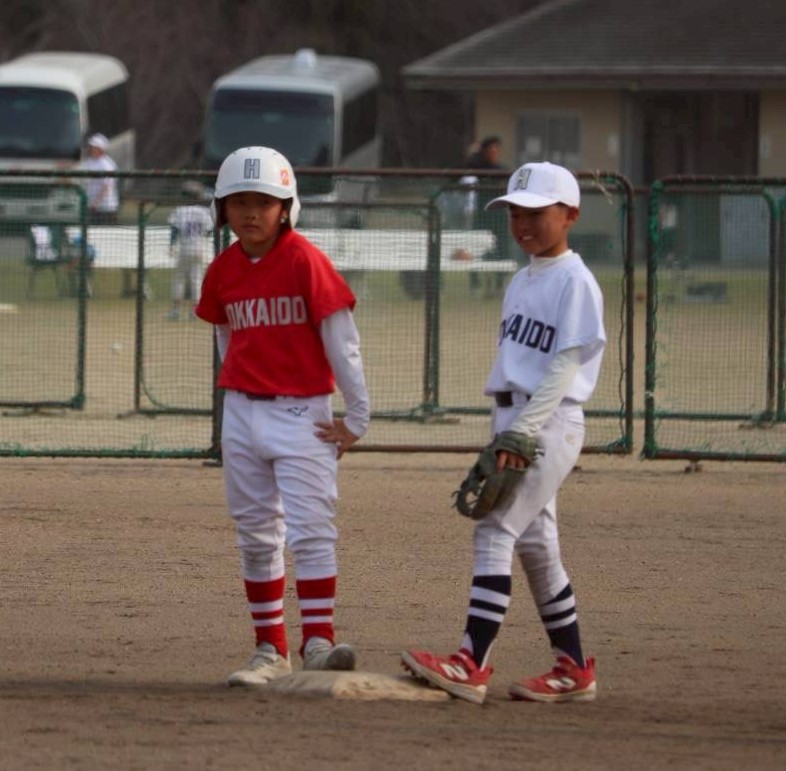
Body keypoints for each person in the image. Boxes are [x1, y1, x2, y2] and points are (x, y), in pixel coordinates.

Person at [401, 161, 606, 705]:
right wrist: (507, 429)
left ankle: (471, 662)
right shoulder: (521, 279)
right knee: (537, 545)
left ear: (571, 215)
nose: (523, 224)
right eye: (516, 213)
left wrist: (524, 434)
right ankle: (573, 668)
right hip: (515, 418)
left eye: (537, 213)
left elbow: (564, 366)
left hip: (547, 420)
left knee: (494, 531)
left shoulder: (576, 281)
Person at [194, 146, 371, 687]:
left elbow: (342, 341)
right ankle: (270, 650)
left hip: (303, 415)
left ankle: (318, 642)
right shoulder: (222, 269)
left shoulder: (305, 261)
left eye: (264, 202)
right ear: (222, 209)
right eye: (239, 202)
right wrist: (241, 393)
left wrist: (357, 416)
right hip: (243, 414)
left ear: (287, 207)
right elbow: (225, 333)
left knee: (312, 530)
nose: (251, 213)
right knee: (255, 534)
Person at [464, 135, 510, 297]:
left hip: (499, 216)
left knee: (503, 249)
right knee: (475, 249)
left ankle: (499, 284)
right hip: (482, 215)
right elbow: (469, 164)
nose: (495, 152)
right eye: (491, 148)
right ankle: (475, 284)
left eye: (497, 148)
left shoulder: (501, 169)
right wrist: (476, 153)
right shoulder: (479, 166)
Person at [166, 203, 214, 320]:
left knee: (179, 279)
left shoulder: (180, 210)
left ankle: (176, 310)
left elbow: (175, 229)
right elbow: (209, 231)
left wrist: (172, 245)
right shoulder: (204, 211)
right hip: (199, 249)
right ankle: (194, 311)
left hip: (185, 248)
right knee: (197, 280)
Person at [79, 133, 119, 225]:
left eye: (94, 146)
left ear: (101, 149)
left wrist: (96, 203)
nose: (91, 148)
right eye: (91, 146)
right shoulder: (89, 162)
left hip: (106, 208)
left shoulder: (107, 164)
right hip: (91, 206)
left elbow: (107, 187)